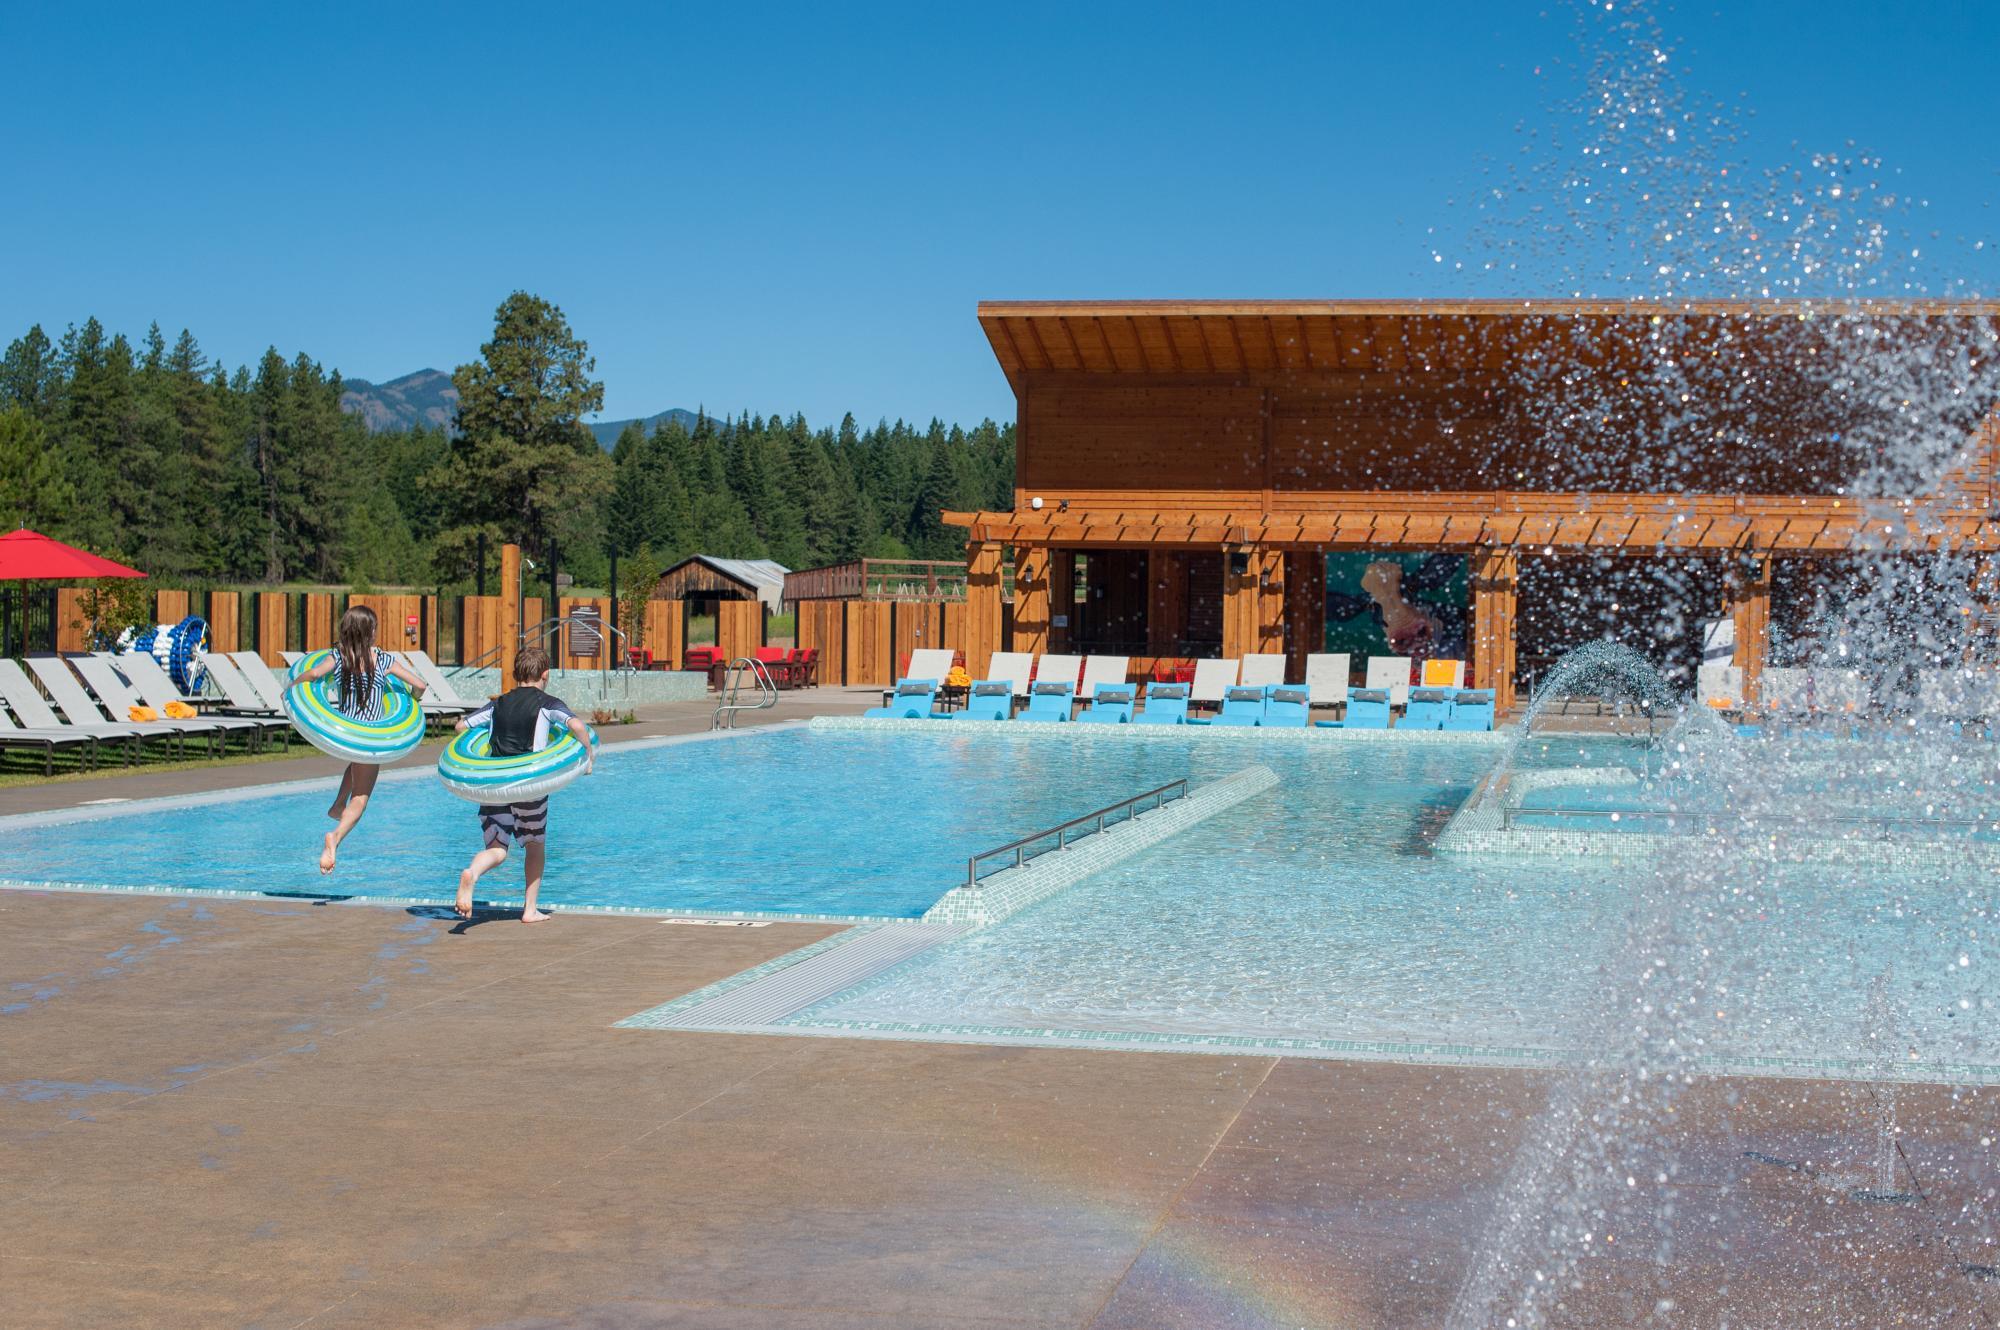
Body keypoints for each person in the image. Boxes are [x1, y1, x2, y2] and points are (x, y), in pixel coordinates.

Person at [281, 605, 429, 874]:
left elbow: (313, 674)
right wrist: (413, 701)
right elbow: (420, 685)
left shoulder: (337, 657)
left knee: (355, 769)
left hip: (347, 733)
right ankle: (335, 837)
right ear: (370, 632)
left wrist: (292, 687)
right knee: (361, 798)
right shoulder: (381, 659)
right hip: (371, 738)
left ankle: (338, 803)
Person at [452, 647, 595, 923]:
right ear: (546, 674)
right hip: (530, 784)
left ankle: (472, 872)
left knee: (497, 849)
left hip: (493, 784)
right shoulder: (547, 703)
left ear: (516, 674)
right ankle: (529, 910)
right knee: (534, 845)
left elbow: (460, 727)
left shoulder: (498, 704)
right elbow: (577, 726)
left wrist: (487, 734)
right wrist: (588, 755)